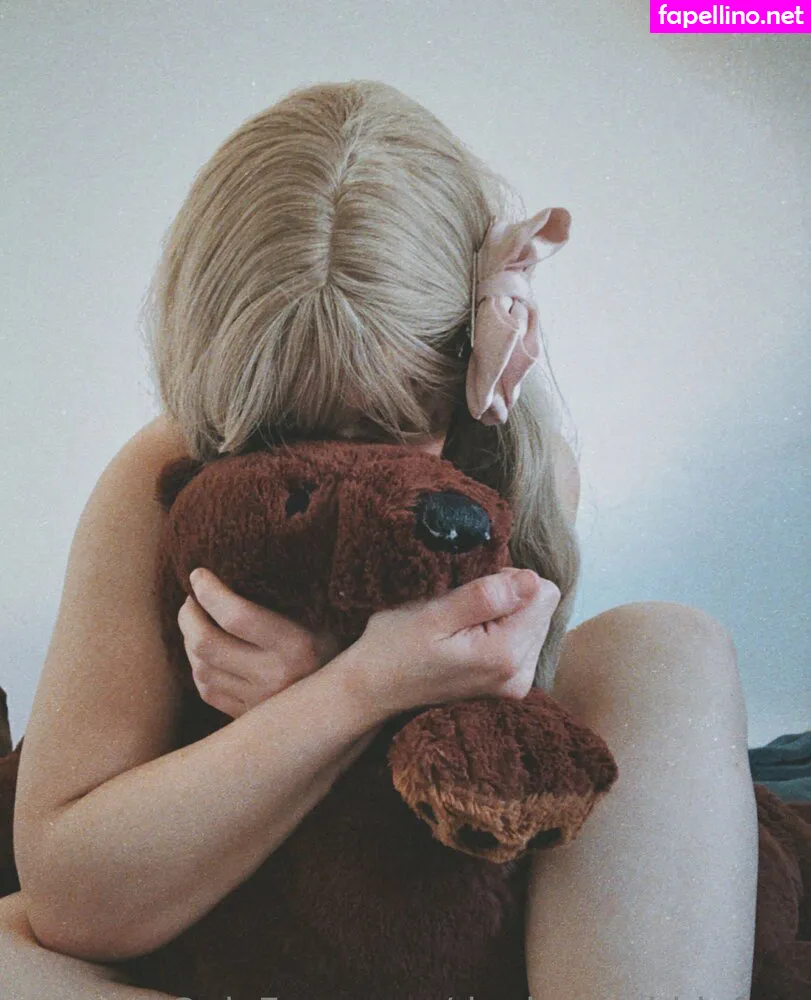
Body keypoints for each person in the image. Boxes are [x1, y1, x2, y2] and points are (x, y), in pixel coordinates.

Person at [0, 80, 758, 999]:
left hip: (436, 897)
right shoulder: (158, 478)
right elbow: (74, 901)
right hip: (219, 903)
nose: (349, 464)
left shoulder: (517, 469)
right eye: (289, 434)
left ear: (469, 362)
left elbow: (494, 796)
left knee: (667, 642)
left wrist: (352, 687)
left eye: (396, 428)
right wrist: (350, 694)